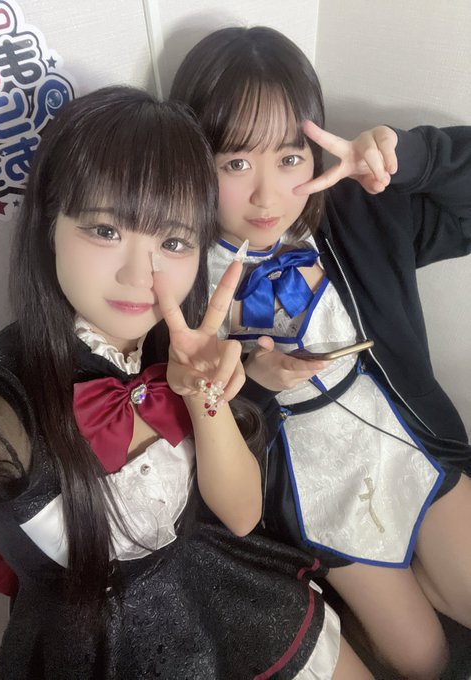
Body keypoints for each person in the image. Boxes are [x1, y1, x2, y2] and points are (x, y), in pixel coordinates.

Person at [0, 86, 374, 679]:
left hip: (226, 599)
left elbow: (241, 516)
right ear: (50, 224)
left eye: (173, 242)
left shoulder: (179, 348)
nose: (140, 274)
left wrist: (202, 395)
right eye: (106, 231)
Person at [170, 26, 471, 679]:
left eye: (289, 158)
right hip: (316, 492)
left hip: (407, 442)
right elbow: (188, 443)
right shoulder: (178, 278)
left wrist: (410, 158)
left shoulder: (359, 214)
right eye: (235, 164)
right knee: (424, 660)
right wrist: (255, 382)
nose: (267, 197)